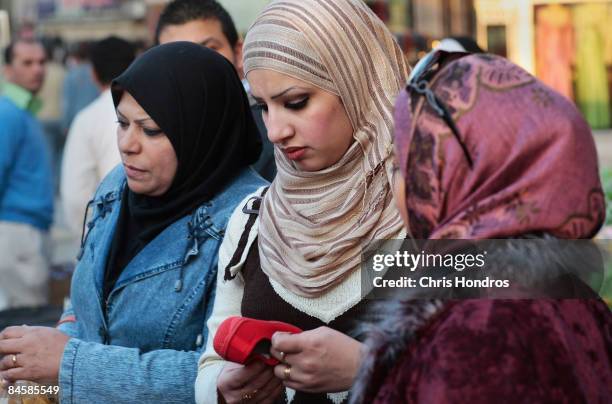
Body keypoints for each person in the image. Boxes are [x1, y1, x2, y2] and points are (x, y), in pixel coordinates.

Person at [0, 42, 265, 403]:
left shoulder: (250, 218)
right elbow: (85, 302)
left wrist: (69, 363)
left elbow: (225, 378)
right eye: (122, 123)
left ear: (200, 131)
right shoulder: (118, 186)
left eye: (151, 130)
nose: (127, 144)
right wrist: (36, 373)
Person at [350, 53, 612, 403]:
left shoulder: (481, 332)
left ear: (459, 177)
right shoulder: (572, 295)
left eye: (405, 165)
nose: (395, 185)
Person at [196, 1, 408, 403]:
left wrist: (370, 366)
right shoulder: (254, 219)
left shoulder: (430, 214)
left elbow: (502, 372)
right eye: (263, 107)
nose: (275, 130)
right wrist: (222, 389)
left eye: (295, 102)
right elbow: (210, 364)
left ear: (358, 83)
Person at [155, 0, 276, 181]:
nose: (196, 66)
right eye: (176, 56)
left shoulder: (277, 129)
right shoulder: (153, 139)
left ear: (238, 53)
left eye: (210, 49)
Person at [60, 36, 136, 238]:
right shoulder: (156, 110)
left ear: (93, 74)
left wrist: (89, 239)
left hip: (106, 234)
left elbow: (75, 195)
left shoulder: (86, 119)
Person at [0, 39, 53, 310]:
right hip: (18, 233)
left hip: (28, 232)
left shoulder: (24, 111)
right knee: (26, 323)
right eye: (28, 63)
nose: (38, 70)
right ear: (8, 69)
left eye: (42, 62)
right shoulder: (8, 114)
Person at [60, 42, 99, 135]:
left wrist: (65, 124)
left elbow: (67, 102)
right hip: (95, 118)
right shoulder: (96, 73)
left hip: (76, 120)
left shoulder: (71, 75)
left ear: (76, 56)